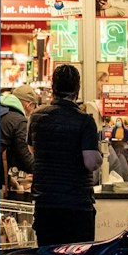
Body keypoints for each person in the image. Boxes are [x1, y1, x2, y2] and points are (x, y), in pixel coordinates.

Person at [29, 65, 102, 245]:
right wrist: (100, 157)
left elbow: (33, 150)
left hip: (46, 204)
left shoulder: (36, 117)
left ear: (53, 87)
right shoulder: (85, 121)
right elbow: (91, 162)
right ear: (77, 89)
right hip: (76, 206)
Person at [0, 87, 35, 175]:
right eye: (34, 107)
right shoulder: (20, 121)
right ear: (29, 105)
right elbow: (26, 161)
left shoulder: (1, 110)